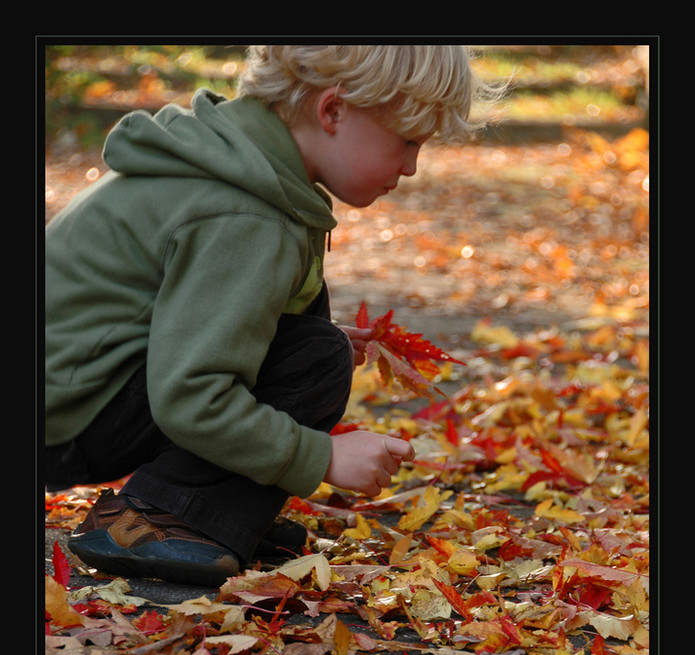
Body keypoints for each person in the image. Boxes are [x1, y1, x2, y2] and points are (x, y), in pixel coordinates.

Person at [45, 44, 496, 587]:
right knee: (318, 359)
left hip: (76, 393)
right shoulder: (243, 212)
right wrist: (321, 456)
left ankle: (216, 511)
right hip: (64, 418)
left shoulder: (242, 167)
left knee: (315, 346)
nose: (411, 167)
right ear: (333, 111)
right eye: (407, 141)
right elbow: (191, 394)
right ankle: (158, 517)